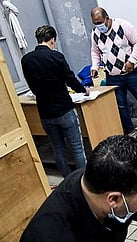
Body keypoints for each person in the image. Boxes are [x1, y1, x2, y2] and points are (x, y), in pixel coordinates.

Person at [21, 25, 88, 178]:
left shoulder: (26, 60)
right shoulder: (56, 56)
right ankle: (84, 181)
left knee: (58, 149)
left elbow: (31, 83)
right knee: (77, 148)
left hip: (45, 112)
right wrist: (83, 90)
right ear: (52, 40)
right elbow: (70, 79)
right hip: (64, 108)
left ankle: (67, 180)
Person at [90, 7, 137, 135]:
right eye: (95, 23)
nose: (98, 26)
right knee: (120, 106)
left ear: (107, 18)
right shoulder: (95, 33)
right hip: (112, 76)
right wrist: (94, 67)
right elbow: (95, 52)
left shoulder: (123, 26)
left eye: (100, 22)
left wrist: (131, 60)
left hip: (132, 74)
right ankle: (130, 132)